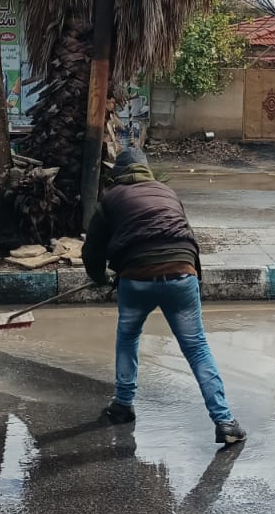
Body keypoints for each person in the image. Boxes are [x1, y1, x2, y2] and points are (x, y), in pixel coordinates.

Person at [82, 147, 246, 445]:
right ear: (147, 170)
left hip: (136, 279)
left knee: (128, 338)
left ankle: (122, 405)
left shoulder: (110, 199)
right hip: (182, 273)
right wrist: (194, 280)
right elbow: (186, 237)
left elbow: (92, 251)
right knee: (197, 348)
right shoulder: (167, 192)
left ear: (117, 174)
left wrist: (101, 278)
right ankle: (225, 421)